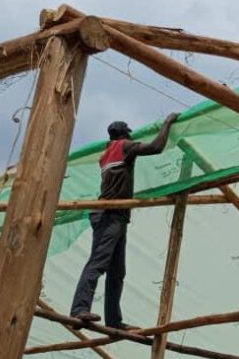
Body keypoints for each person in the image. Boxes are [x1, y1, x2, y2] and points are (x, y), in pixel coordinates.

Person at [70, 113, 179, 329]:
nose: (131, 136)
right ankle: (79, 310)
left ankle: (114, 321)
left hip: (116, 216)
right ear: (124, 135)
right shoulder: (124, 146)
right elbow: (156, 147)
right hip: (110, 215)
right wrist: (167, 123)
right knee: (98, 263)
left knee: (117, 271)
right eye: (130, 133)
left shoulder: (106, 154)